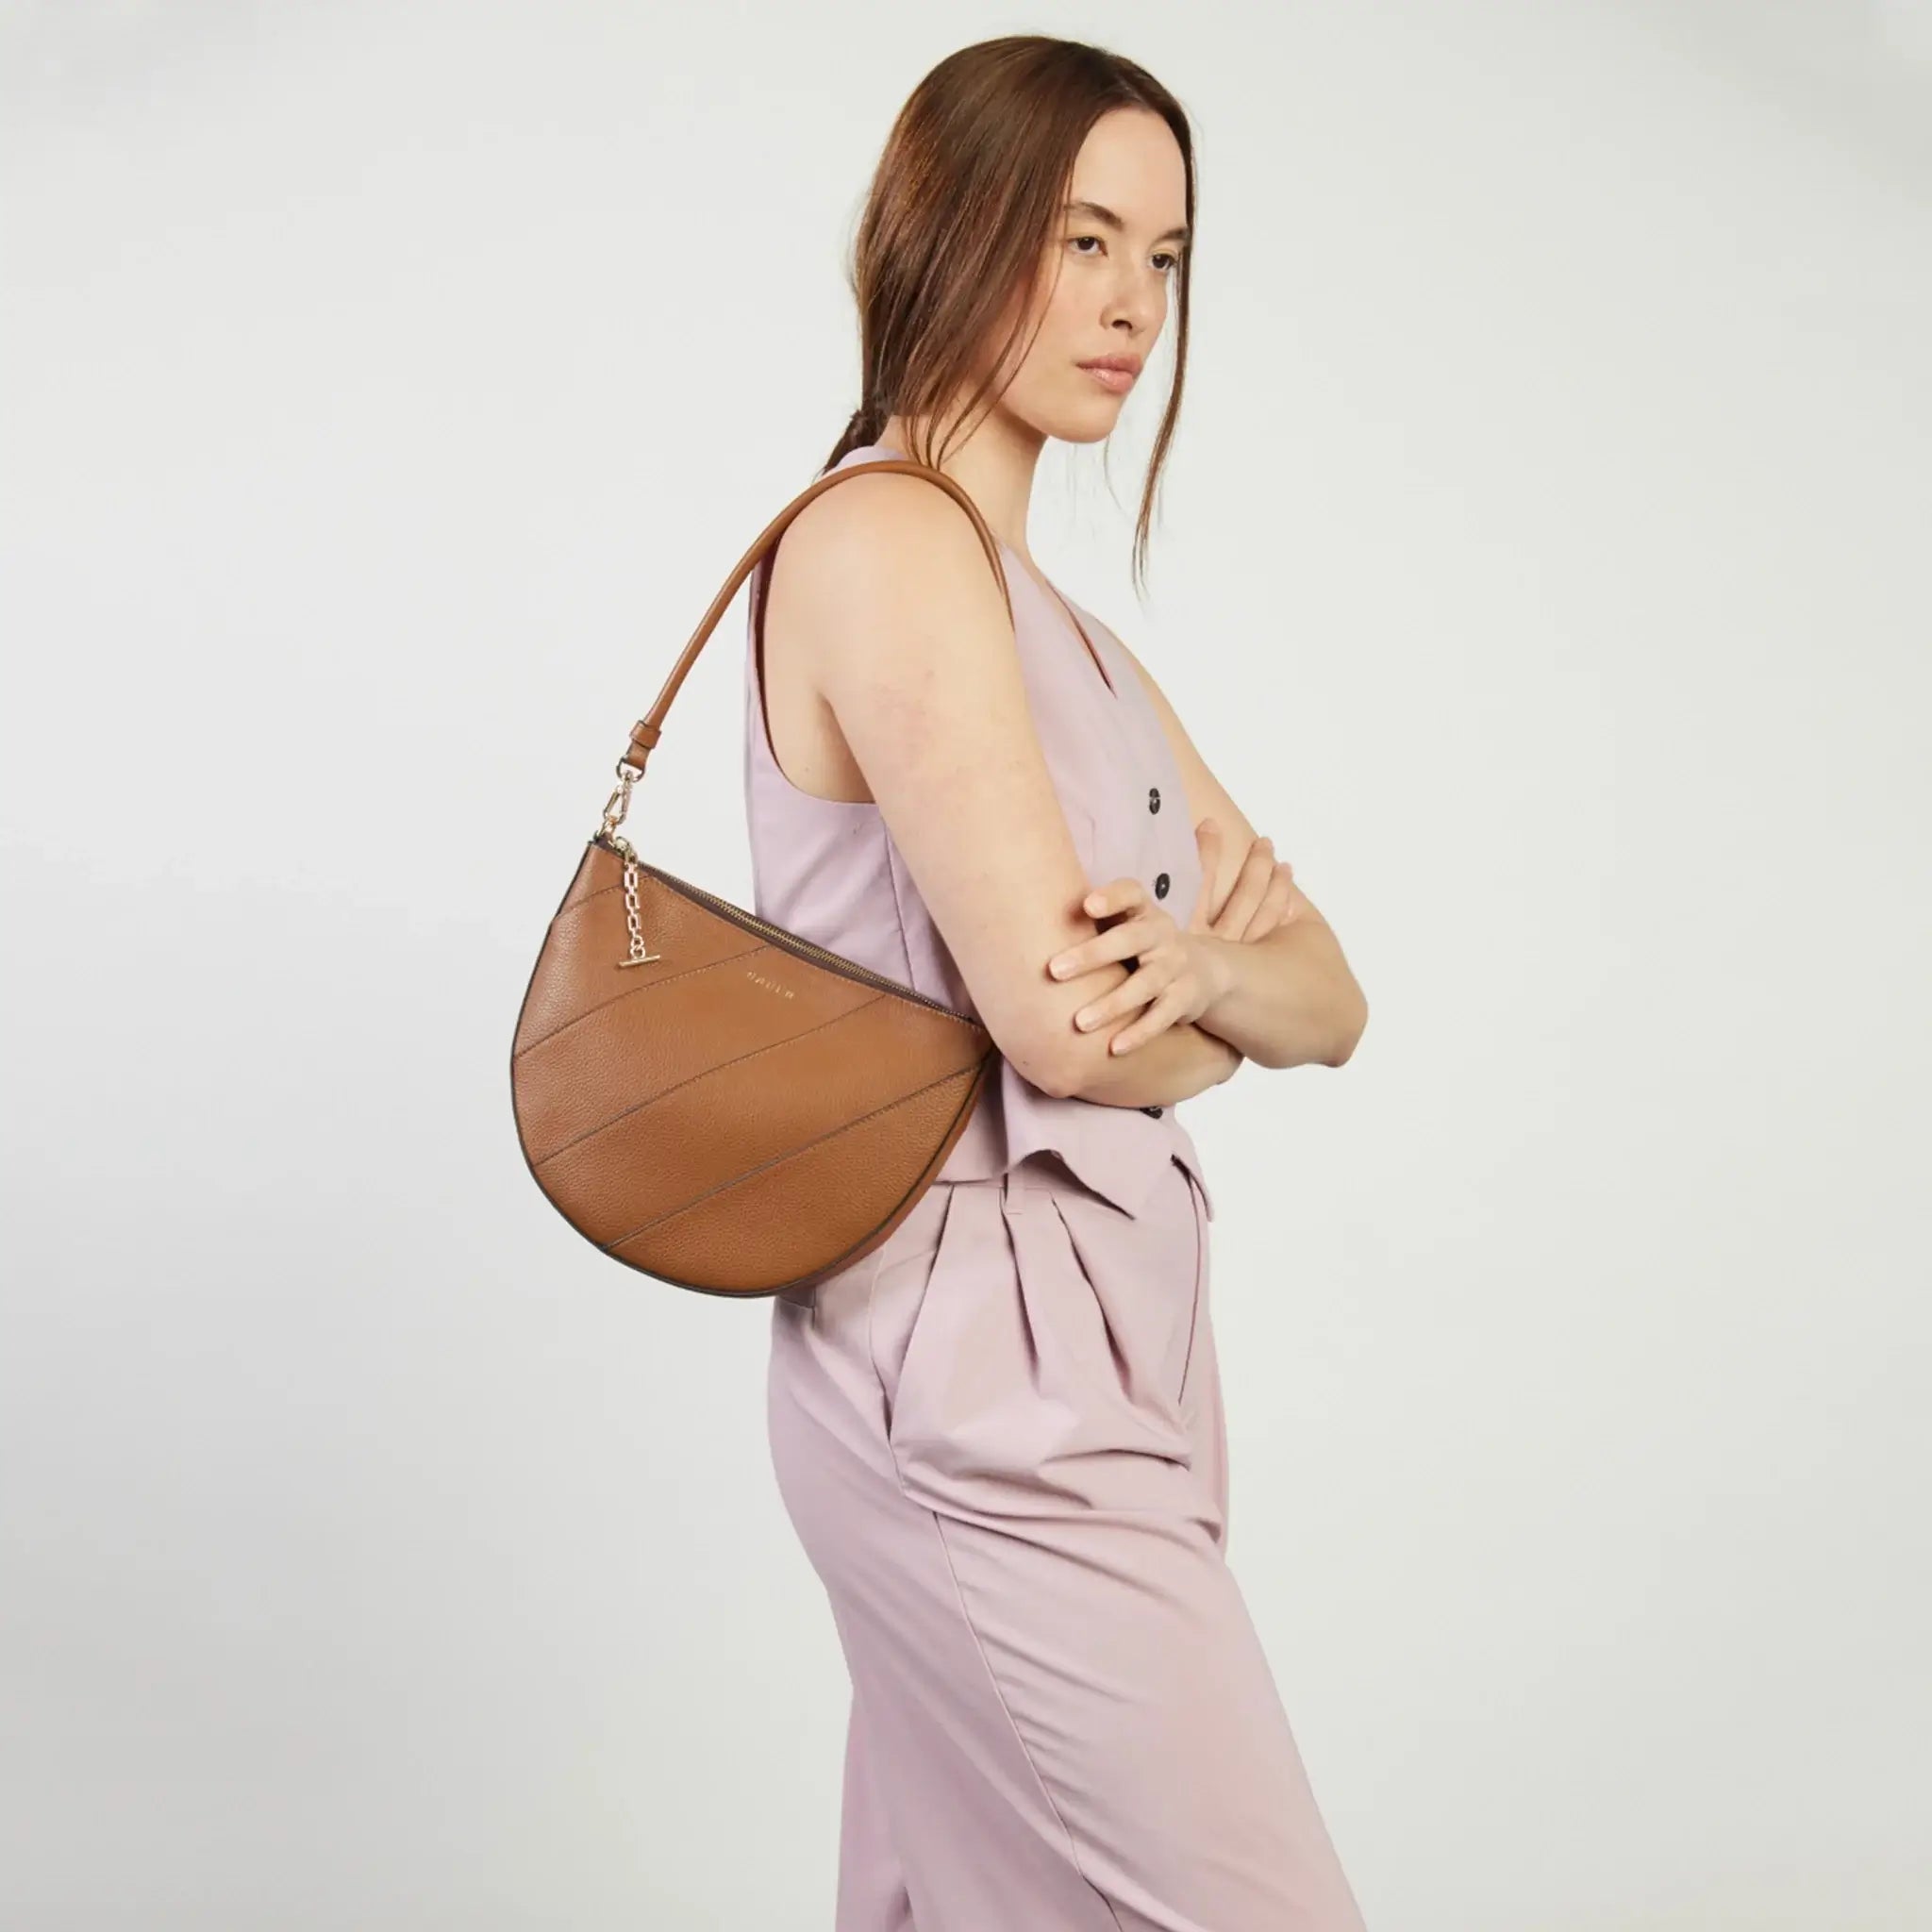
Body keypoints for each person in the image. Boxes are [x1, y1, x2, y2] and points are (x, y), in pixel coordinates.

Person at [745, 34, 1371, 1931]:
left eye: (1162, 257)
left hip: (1097, 1339)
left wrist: (1200, 972)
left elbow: (1333, 996)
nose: (1130, 306)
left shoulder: (1071, 638)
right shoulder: (883, 540)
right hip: (973, 1366)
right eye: (1081, 238)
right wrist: (1215, 1011)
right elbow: (1062, 1031)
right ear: (949, 227)